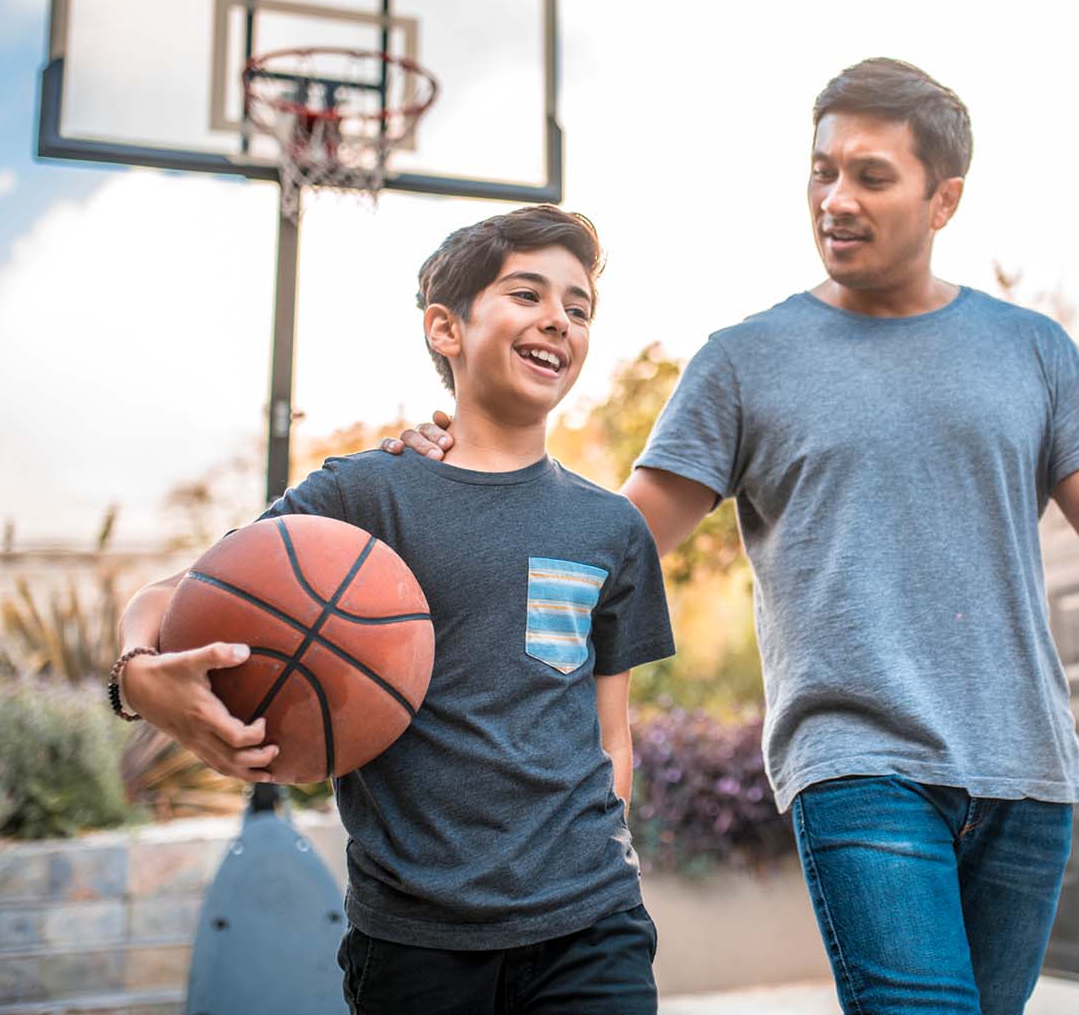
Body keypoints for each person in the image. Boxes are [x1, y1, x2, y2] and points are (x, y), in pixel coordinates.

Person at [390, 59, 1079, 1015]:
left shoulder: (1033, 351)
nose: (834, 200)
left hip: (1027, 769)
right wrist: (465, 467)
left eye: (871, 176)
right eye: (821, 171)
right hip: (855, 763)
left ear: (944, 198)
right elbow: (615, 538)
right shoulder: (746, 362)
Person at [112, 206, 675, 1015]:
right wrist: (138, 674)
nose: (558, 318)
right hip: (416, 937)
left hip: (591, 924)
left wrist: (604, 852)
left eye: (579, 308)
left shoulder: (610, 526)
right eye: (527, 294)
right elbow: (174, 596)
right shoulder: (366, 492)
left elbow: (610, 730)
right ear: (446, 328)